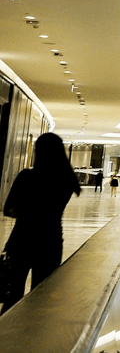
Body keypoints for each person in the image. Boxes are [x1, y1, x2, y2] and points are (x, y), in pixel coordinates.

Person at [1, 133, 82, 314]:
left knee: (12, 295)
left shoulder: (27, 176)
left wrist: (27, 212)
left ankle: (6, 336)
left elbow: (8, 209)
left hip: (21, 241)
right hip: (50, 243)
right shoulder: (67, 180)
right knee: (41, 297)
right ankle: (34, 337)